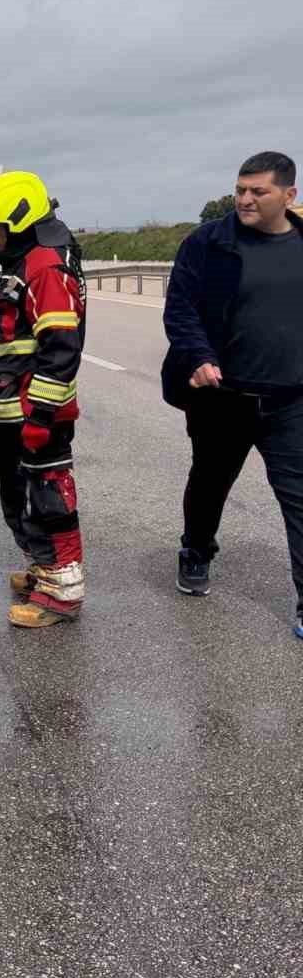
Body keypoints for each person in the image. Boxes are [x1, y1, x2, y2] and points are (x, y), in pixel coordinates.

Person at [162, 151, 303, 637]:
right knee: (209, 484)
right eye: (240, 189)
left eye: (257, 192)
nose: (244, 199)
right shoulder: (209, 243)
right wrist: (198, 356)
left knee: (300, 498)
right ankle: (196, 550)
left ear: (288, 195)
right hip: (223, 396)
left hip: (291, 399)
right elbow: (180, 308)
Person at [0, 172, 86, 628]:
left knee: (50, 500)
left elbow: (60, 351)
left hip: (36, 413)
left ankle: (61, 596)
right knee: (20, 498)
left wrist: (40, 415)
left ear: (17, 223)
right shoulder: (28, 264)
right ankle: (44, 570)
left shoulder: (44, 269)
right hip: (15, 408)